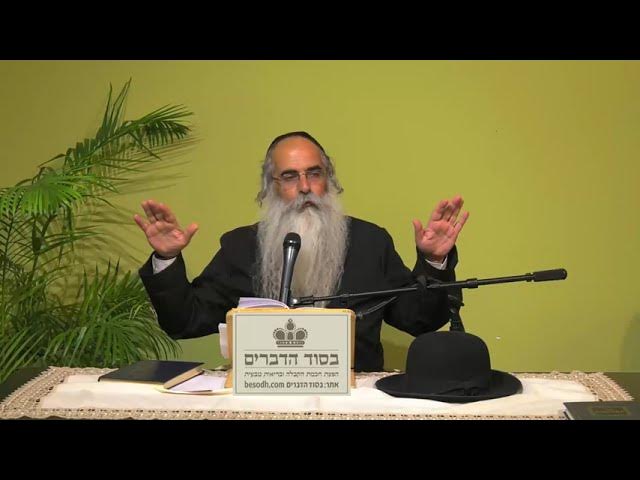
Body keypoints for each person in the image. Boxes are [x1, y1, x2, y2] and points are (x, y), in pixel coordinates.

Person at [135, 131, 469, 372]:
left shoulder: (370, 242)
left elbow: (419, 320)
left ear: (329, 179)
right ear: (271, 186)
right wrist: (167, 258)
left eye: (314, 173)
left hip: (352, 400)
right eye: (290, 176)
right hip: (263, 399)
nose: (305, 187)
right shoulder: (240, 247)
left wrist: (433, 260)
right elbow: (185, 321)